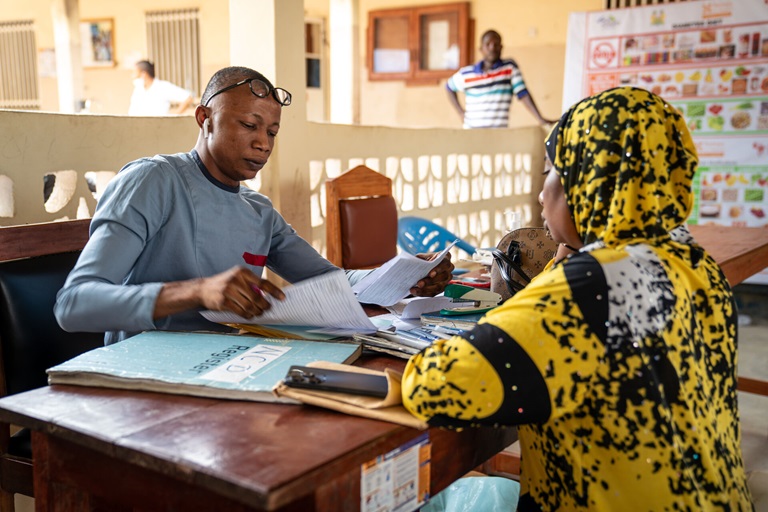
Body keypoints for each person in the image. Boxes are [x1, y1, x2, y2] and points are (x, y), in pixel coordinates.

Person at [402, 87, 753, 509]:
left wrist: (568, 267)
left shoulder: (592, 287)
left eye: (550, 172)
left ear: (590, 181)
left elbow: (437, 386)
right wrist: (569, 255)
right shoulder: (696, 265)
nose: (540, 194)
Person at [56, 66, 454, 345]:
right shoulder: (153, 181)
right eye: (248, 125)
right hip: (139, 378)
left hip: (231, 365)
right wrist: (198, 291)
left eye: (272, 131)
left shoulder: (258, 211)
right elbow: (75, 304)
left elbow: (330, 280)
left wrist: (400, 277)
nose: (263, 142)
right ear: (204, 118)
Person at [446, 30, 556, 129]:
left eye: (496, 44)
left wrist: (540, 119)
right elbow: (449, 87)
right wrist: (460, 113)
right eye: (488, 44)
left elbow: (523, 94)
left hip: (498, 133)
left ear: (501, 47)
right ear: (481, 49)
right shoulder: (466, 73)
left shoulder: (509, 68)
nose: (492, 48)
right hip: (471, 132)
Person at [128, 60, 194, 116]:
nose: (132, 76)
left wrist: (174, 117)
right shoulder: (138, 89)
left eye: (134, 73)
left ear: (143, 74)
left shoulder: (162, 87)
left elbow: (188, 98)